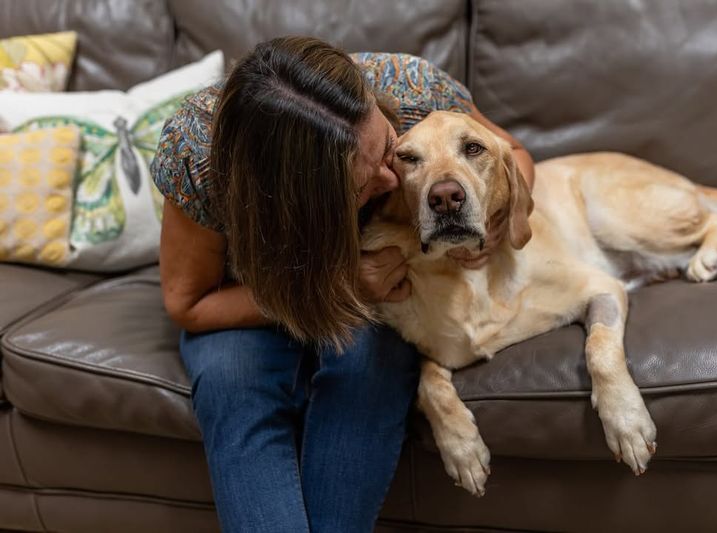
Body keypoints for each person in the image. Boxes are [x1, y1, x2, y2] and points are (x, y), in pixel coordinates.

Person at [151, 36, 534, 533]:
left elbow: (515, 154)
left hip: (376, 302)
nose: (391, 180)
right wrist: (341, 284)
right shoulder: (200, 153)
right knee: (232, 382)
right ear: (297, 193)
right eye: (363, 184)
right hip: (245, 298)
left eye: (388, 149)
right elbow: (189, 303)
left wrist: (496, 218)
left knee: (371, 363)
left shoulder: (415, 88)